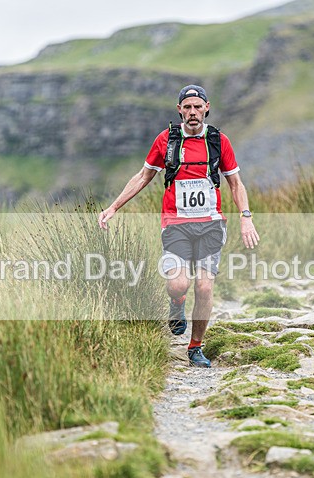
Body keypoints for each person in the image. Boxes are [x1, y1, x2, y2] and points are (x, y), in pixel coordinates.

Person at [98, 84, 260, 368]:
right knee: (178, 284)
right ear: (179, 111)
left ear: (207, 107)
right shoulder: (167, 140)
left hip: (211, 224)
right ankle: (176, 305)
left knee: (205, 288)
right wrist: (113, 206)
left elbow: (235, 183)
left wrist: (245, 216)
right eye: (187, 108)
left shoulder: (219, 141)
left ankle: (195, 347)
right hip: (175, 225)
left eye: (198, 107)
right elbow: (142, 176)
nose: (193, 112)